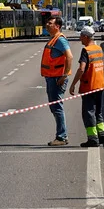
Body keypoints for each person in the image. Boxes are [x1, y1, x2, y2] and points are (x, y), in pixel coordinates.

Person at [69, 26, 104, 147]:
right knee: (98, 112)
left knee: (88, 113)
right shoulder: (99, 49)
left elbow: (82, 69)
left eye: (81, 36)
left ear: (86, 37)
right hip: (100, 85)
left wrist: (73, 84)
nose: (80, 38)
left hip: (89, 86)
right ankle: (103, 135)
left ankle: (93, 139)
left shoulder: (86, 50)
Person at [40, 13, 73, 146]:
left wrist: (64, 75)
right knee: (54, 107)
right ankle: (61, 135)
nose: (47, 25)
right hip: (52, 77)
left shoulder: (60, 39)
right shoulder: (53, 39)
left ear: (57, 26)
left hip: (57, 78)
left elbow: (69, 57)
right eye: (47, 23)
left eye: (50, 23)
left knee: (57, 107)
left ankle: (61, 136)